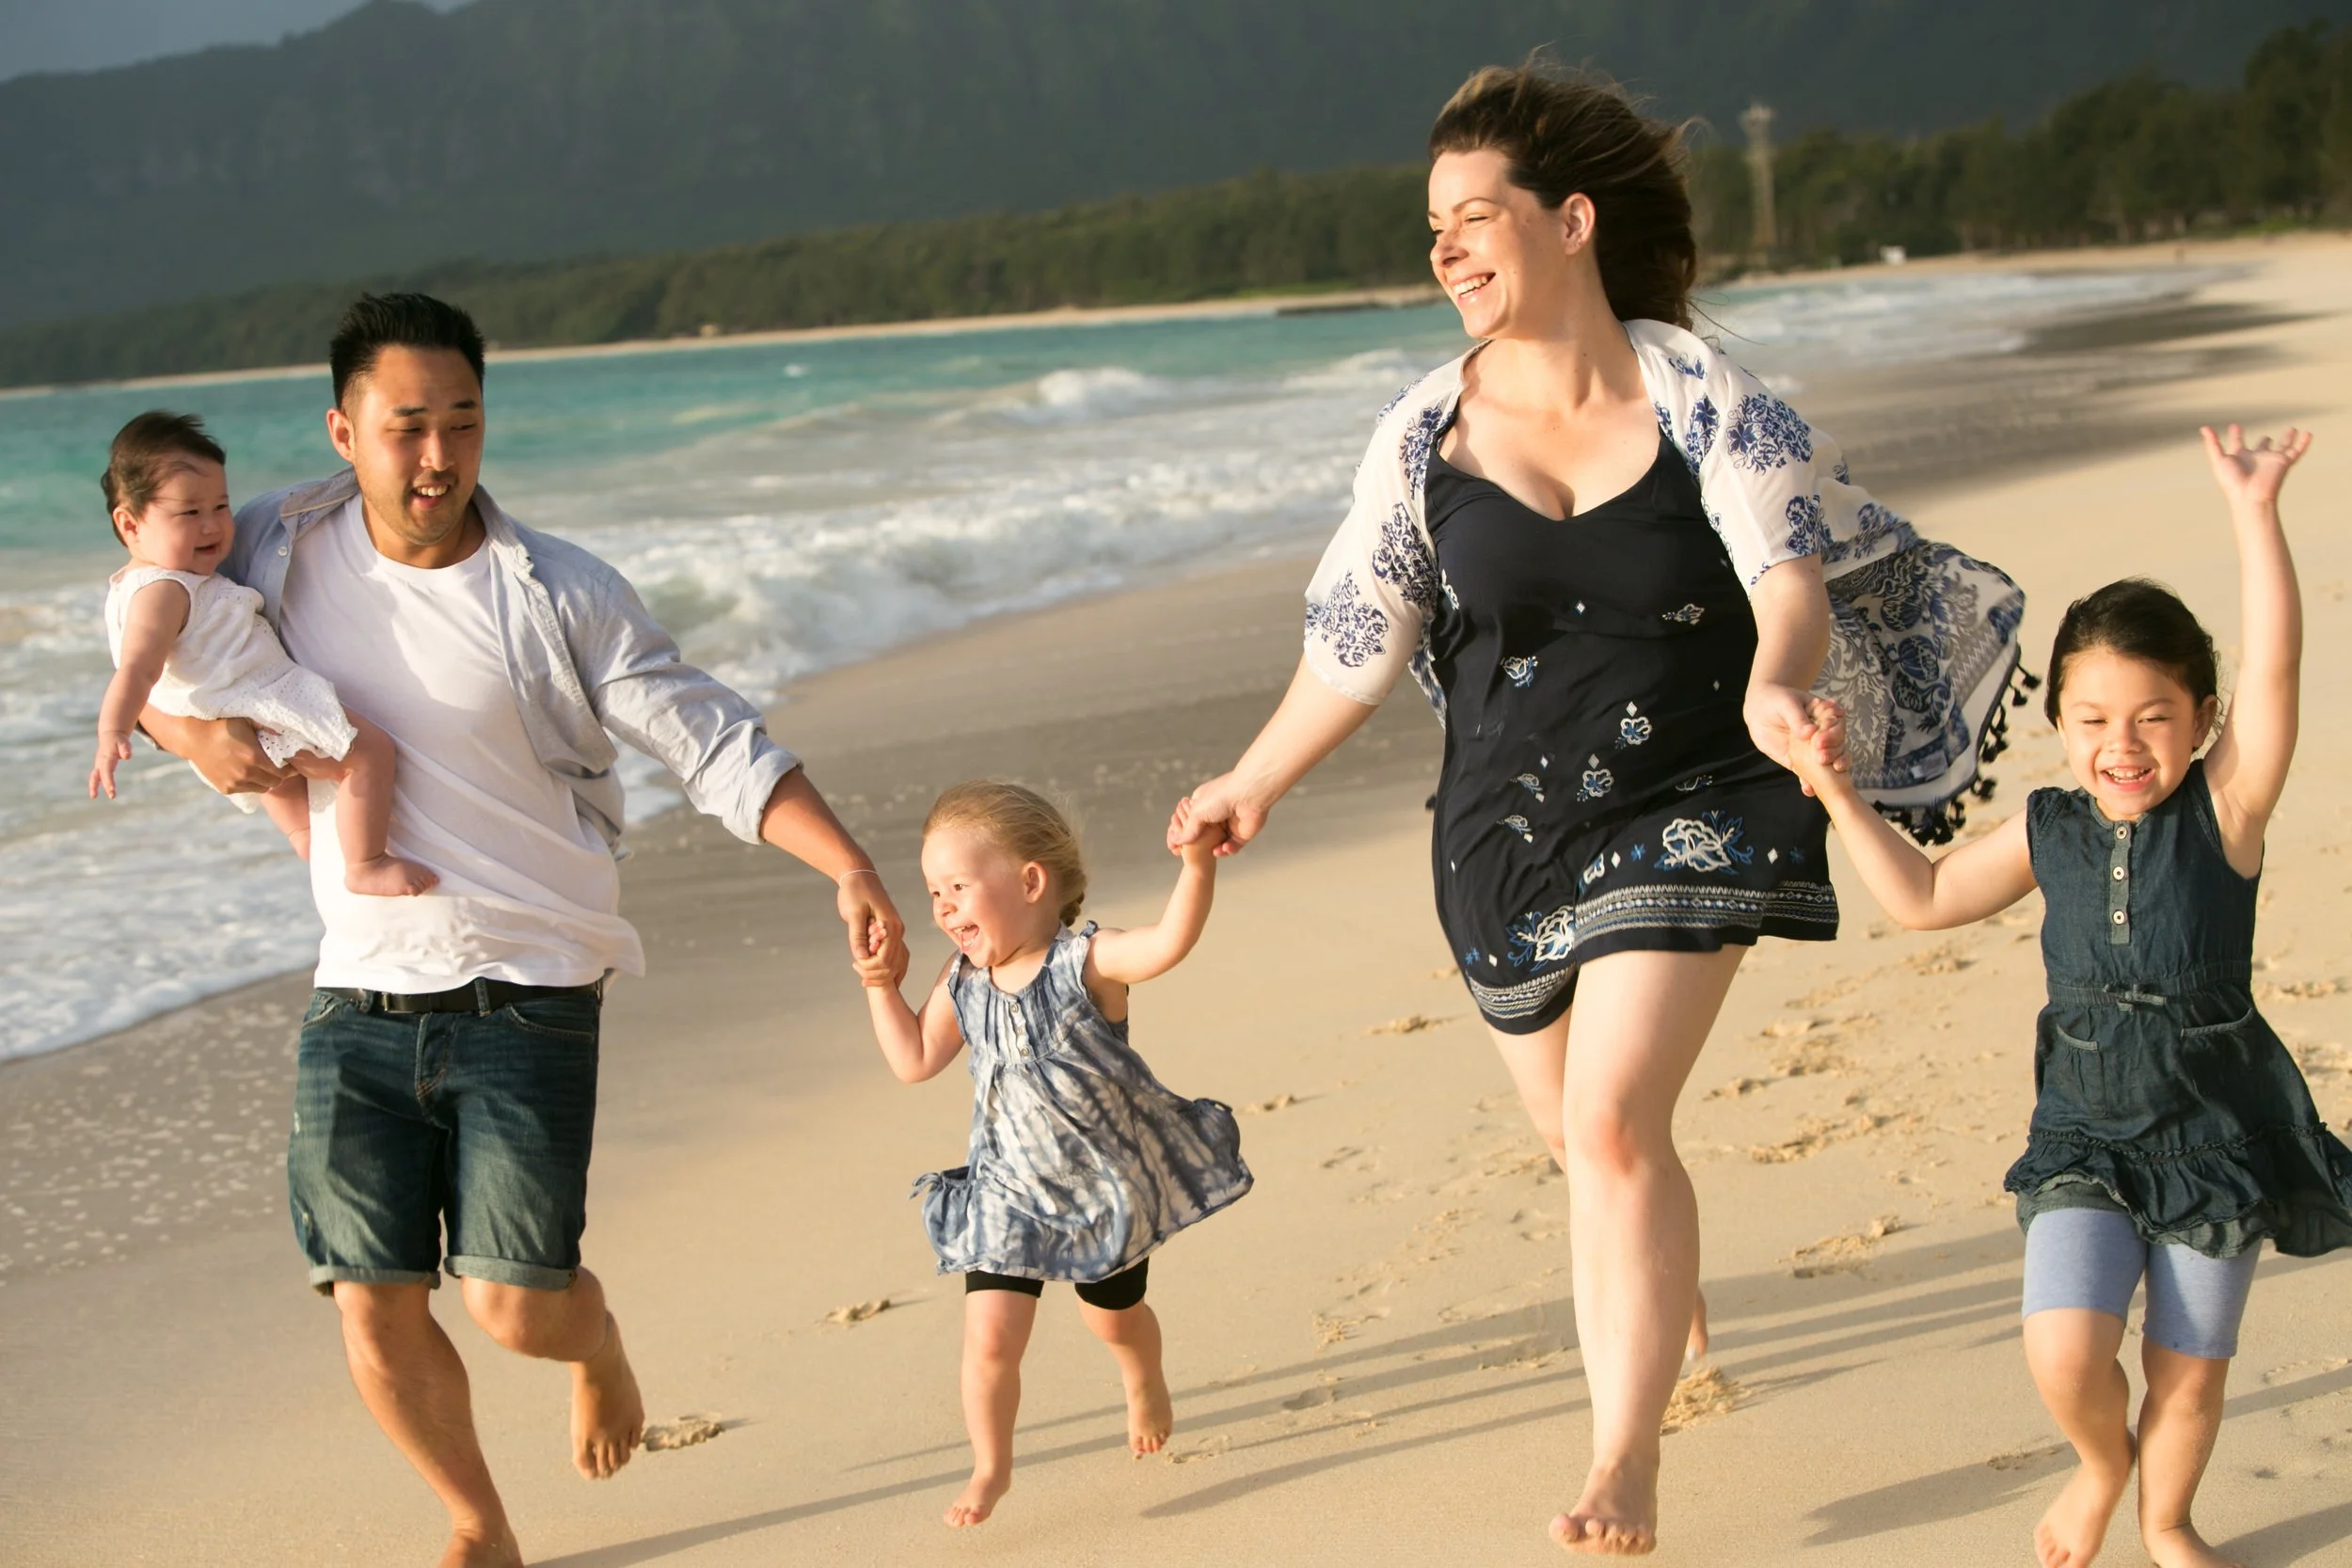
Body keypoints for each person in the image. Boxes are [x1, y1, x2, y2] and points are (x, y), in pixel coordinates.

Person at [1170, 64, 2025, 1556]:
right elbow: (1352, 643)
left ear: (1569, 223)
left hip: (1703, 784)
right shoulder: (1419, 436)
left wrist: (1777, 682)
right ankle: (1663, 1291)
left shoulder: (1700, 392)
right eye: (1430, 224)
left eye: (1473, 215)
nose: (1443, 247)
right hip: (1503, 831)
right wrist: (1250, 779)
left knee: (1616, 1124)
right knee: (1587, 1144)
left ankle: (1622, 1459)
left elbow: (1789, 578)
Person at [136, 293, 907, 1568]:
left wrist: (849, 862)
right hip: (357, 986)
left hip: (530, 984)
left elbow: (705, 731)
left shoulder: (559, 591)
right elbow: (149, 631)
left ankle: (594, 1343)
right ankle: (476, 1521)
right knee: (372, 1311)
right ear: (343, 430)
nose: (436, 458)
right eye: (405, 429)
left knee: (513, 1303)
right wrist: (184, 733)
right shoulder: (268, 540)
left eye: (463, 423)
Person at [1786, 424, 2338, 1568]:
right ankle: (2100, 1465)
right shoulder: (2049, 828)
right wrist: (1838, 795)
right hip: (2083, 1130)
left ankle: (2167, 1518)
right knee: (2063, 1350)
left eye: (2151, 718)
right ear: (2059, 731)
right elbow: (1927, 895)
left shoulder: (2223, 815)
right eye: (2091, 721)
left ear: (2199, 720)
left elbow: (2276, 666)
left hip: (2214, 1133)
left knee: (2190, 1366)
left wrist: (2254, 509)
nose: (2121, 745)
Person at [855, 782, 1251, 1528]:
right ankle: (991, 1465)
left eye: (958, 887)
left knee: (1115, 1319)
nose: (942, 907)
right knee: (989, 1340)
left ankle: (1144, 1380)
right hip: (1007, 1192)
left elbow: (1168, 942)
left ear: (1031, 881)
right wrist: (882, 985)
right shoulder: (960, 979)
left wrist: (1197, 866)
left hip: (1102, 1192)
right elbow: (913, 1058)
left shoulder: (1086, 963)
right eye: (933, 891)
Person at [89, 411, 437, 897]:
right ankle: (366, 862)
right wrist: (112, 732)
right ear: (129, 524)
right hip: (258, 698)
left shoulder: (153, 582)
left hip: (235, 706)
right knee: (368, 753)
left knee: (281, 781)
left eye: (220, 506)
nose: (212, 526)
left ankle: (303, 836)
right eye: (189, 513)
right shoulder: (163, 590)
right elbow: (138, 669)